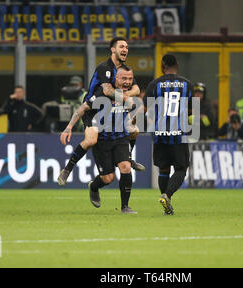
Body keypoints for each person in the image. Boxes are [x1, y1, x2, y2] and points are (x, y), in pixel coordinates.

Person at [57, 37, 142, 185]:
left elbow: (137, 89)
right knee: (91, 140)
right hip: (93, 110)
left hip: (111, 110)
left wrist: (127, 95)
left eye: (127, 47)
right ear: (113, 49)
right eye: (121, 47)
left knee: (134, 131)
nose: (125, 50)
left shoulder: (123, 71)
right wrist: (68, 127)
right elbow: (107, 90)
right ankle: (67, 169)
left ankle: (128, 158)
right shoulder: (105, 67)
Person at [61, 65, 139, 213]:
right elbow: (82, 109)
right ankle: (94, 186)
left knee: (125, 167)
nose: (127, 82)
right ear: (116, 78)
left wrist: (133, 121)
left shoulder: (128, 97)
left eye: (130, 79)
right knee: (108, 178)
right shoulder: (102, 94)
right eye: (124, 78)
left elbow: (128, 118)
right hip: (102, 140)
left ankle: (125, 206)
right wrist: (69, 127)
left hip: (120, 138)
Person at [144, 54, 193, 215]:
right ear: (177, 65)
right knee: (181, 168)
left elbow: (146, 108)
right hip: (179, 133)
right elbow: (192, 110)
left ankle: (166, 203)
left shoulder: (154, 84)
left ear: (162, 65)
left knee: (163, 169)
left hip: (159, 133)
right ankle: (167, 195)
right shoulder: (187, 84)